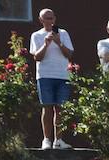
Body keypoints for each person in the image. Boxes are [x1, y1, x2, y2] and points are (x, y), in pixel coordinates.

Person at [29, 9, 75, 150]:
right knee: (47, 107)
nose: (50, 21)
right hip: (45, 75)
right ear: (41, 20)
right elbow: (37, 57)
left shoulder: (63, 33)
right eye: (46, 18)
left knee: (60, 109)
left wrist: (59, 42)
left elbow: (69, 54)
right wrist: (46, 44)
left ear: (54, 18)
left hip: (62, 75)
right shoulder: (36, 35)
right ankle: (47, 140)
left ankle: (59, 140)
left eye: (51, 18)